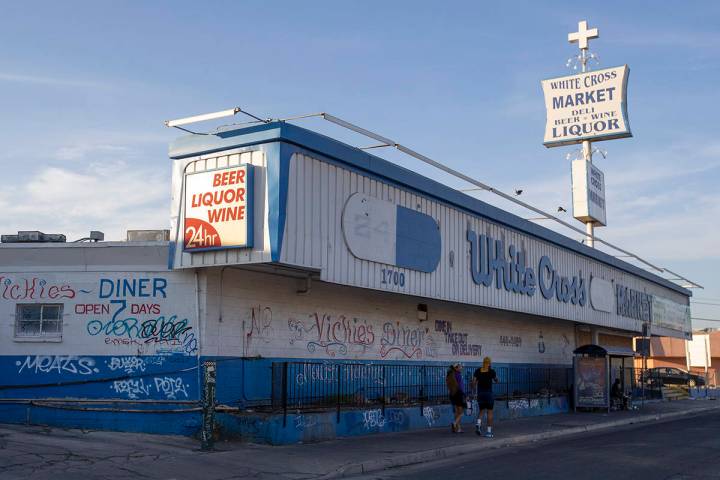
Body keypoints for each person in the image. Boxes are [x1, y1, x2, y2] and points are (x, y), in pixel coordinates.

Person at [472, 356, 498, 438]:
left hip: (480, 394)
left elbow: (473, 383)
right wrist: (496, 380)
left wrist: (473, 390)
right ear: (489, 363)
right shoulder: (491, 371)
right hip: (488, 394)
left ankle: (478, 424)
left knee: (481, 410)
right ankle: (489, 432)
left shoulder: (478, 371)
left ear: (483, 362)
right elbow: (496, 380)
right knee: (489, 412)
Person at [446, 363, 466, 433]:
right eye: (460, 367)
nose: (461, 368)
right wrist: (463, 394)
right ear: (456, 368)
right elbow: (460, 386)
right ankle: (455, 423)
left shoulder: (451, 374)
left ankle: (458, 428)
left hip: (453, 394)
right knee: (461, 412)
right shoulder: (458, 375)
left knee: (457, 412)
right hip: (459, 394)